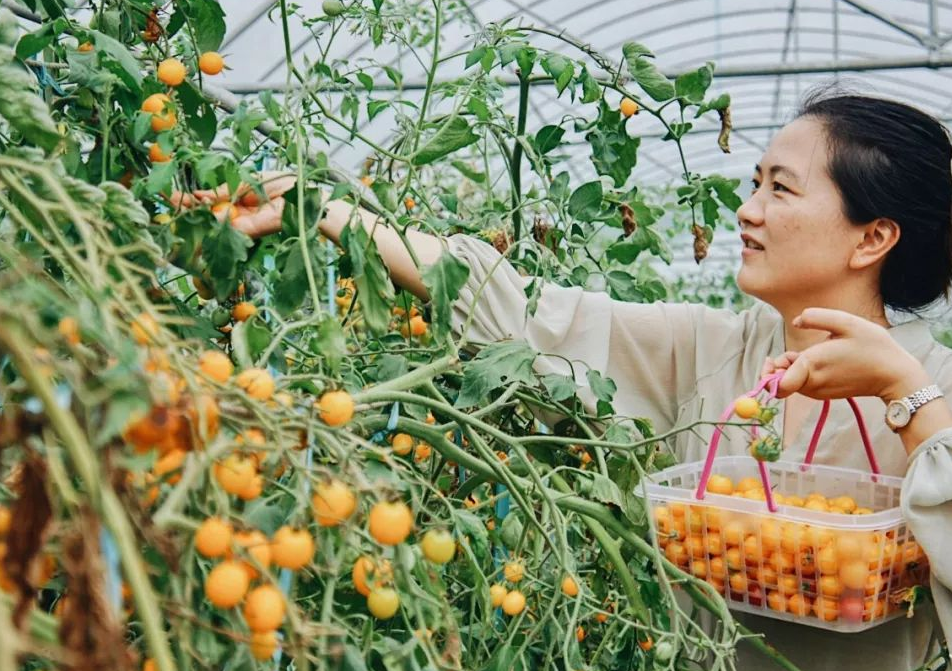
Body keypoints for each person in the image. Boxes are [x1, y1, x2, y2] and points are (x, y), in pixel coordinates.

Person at [177, 89, 952, 670]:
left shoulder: (940, 380)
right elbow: (523, 309)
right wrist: (331, 214)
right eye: (753, 182)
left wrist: (906, 394)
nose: (746, 211)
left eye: (779, 189)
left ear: (873, 237)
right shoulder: (710, 348)